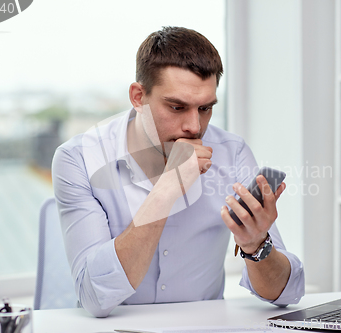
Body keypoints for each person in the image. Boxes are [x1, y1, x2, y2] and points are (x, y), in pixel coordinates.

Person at [52, 26, 304, 318]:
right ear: (138, 97)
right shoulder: (79, 159)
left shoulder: (231, 153)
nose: (195, 127)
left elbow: (288, 293)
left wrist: (256, 245)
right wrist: (166, 190)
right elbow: (94, 298)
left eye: (205, 108)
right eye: (177, 107)